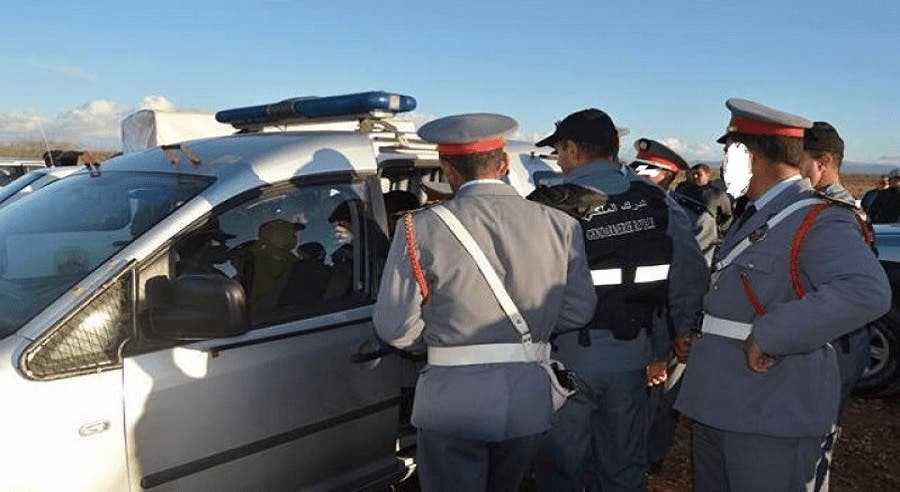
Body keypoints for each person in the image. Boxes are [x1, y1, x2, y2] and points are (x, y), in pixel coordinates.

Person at [674, 98, 891, 491]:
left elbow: (867, 291)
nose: (724, 165)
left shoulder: (819, 218)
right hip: (720, 399)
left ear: (750, 157)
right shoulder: (758, 213)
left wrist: (773, 334)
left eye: (730, 153)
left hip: (770, 410)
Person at [373, 113, 597, 492]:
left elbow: (395, 328)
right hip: (528, 396)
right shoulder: (561, 225)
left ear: (447, 169)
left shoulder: (419, 226)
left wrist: (446, 341)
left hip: (452, 400)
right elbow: (578, 310)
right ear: (505, 163)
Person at [528, 110, 708, 491]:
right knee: (623, 467)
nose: (559, 162)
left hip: (564, 361)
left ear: (573, 149)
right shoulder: (657, 200)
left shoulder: (546, 207)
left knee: (561, 470)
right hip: (633, 358)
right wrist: (675, 339)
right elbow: (688, 275)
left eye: (559, 151)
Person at [627, 138, 713, 473]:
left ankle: (648, 460)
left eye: (643, 171)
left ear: (664, 176)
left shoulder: (675, 213)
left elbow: (689, 280)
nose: (635, 176)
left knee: (656, 406)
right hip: (637, 328)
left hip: (662, 330)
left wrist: (680, 334)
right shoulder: (629, 207)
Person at [800, 120, 874, 491]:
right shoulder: (831, 208)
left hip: (834, 346)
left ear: (824, 161)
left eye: (799, 160)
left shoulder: (834, 213)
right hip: (837, 342)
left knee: (812, 447)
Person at [631, 140, 719, 265]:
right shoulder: (623, 206)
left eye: (646, 174)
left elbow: (695, 269)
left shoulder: (696, 218)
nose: (636, 178)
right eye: (634, 172)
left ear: (666, 176)